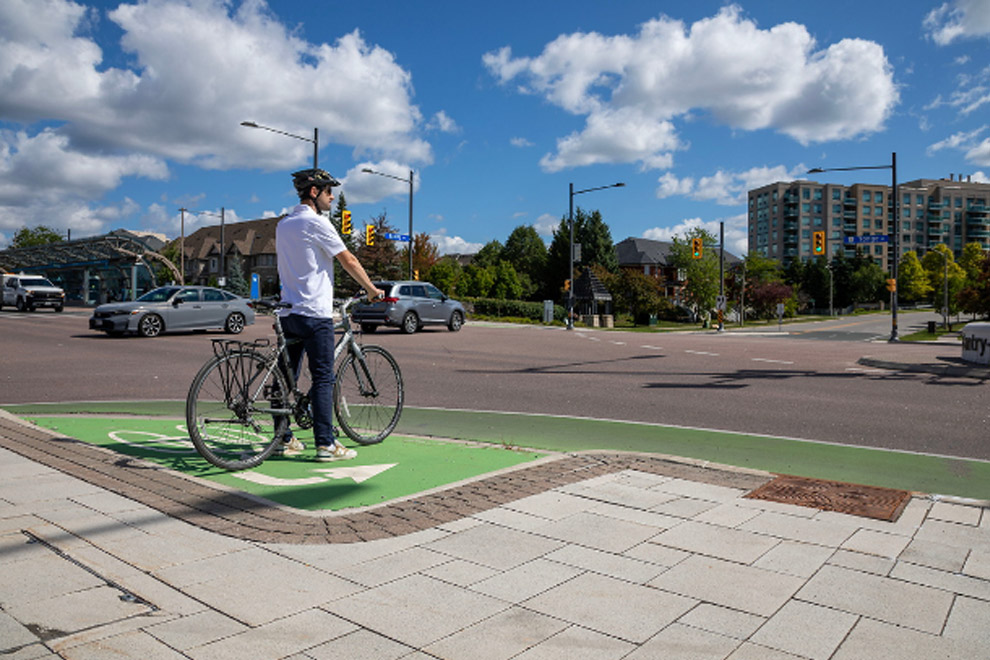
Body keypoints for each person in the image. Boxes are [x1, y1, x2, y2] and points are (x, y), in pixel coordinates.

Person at [274, 168, 384, 461]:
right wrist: (371, 289)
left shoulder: (283, 225)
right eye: (328, 191)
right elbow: (348, 259)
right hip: (315, 313)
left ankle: (282, 438)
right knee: (323, 378)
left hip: (289, 312)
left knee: (286, 376)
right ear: (314, 192)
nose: (332, 197)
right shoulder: (318, 223)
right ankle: (325, 443)